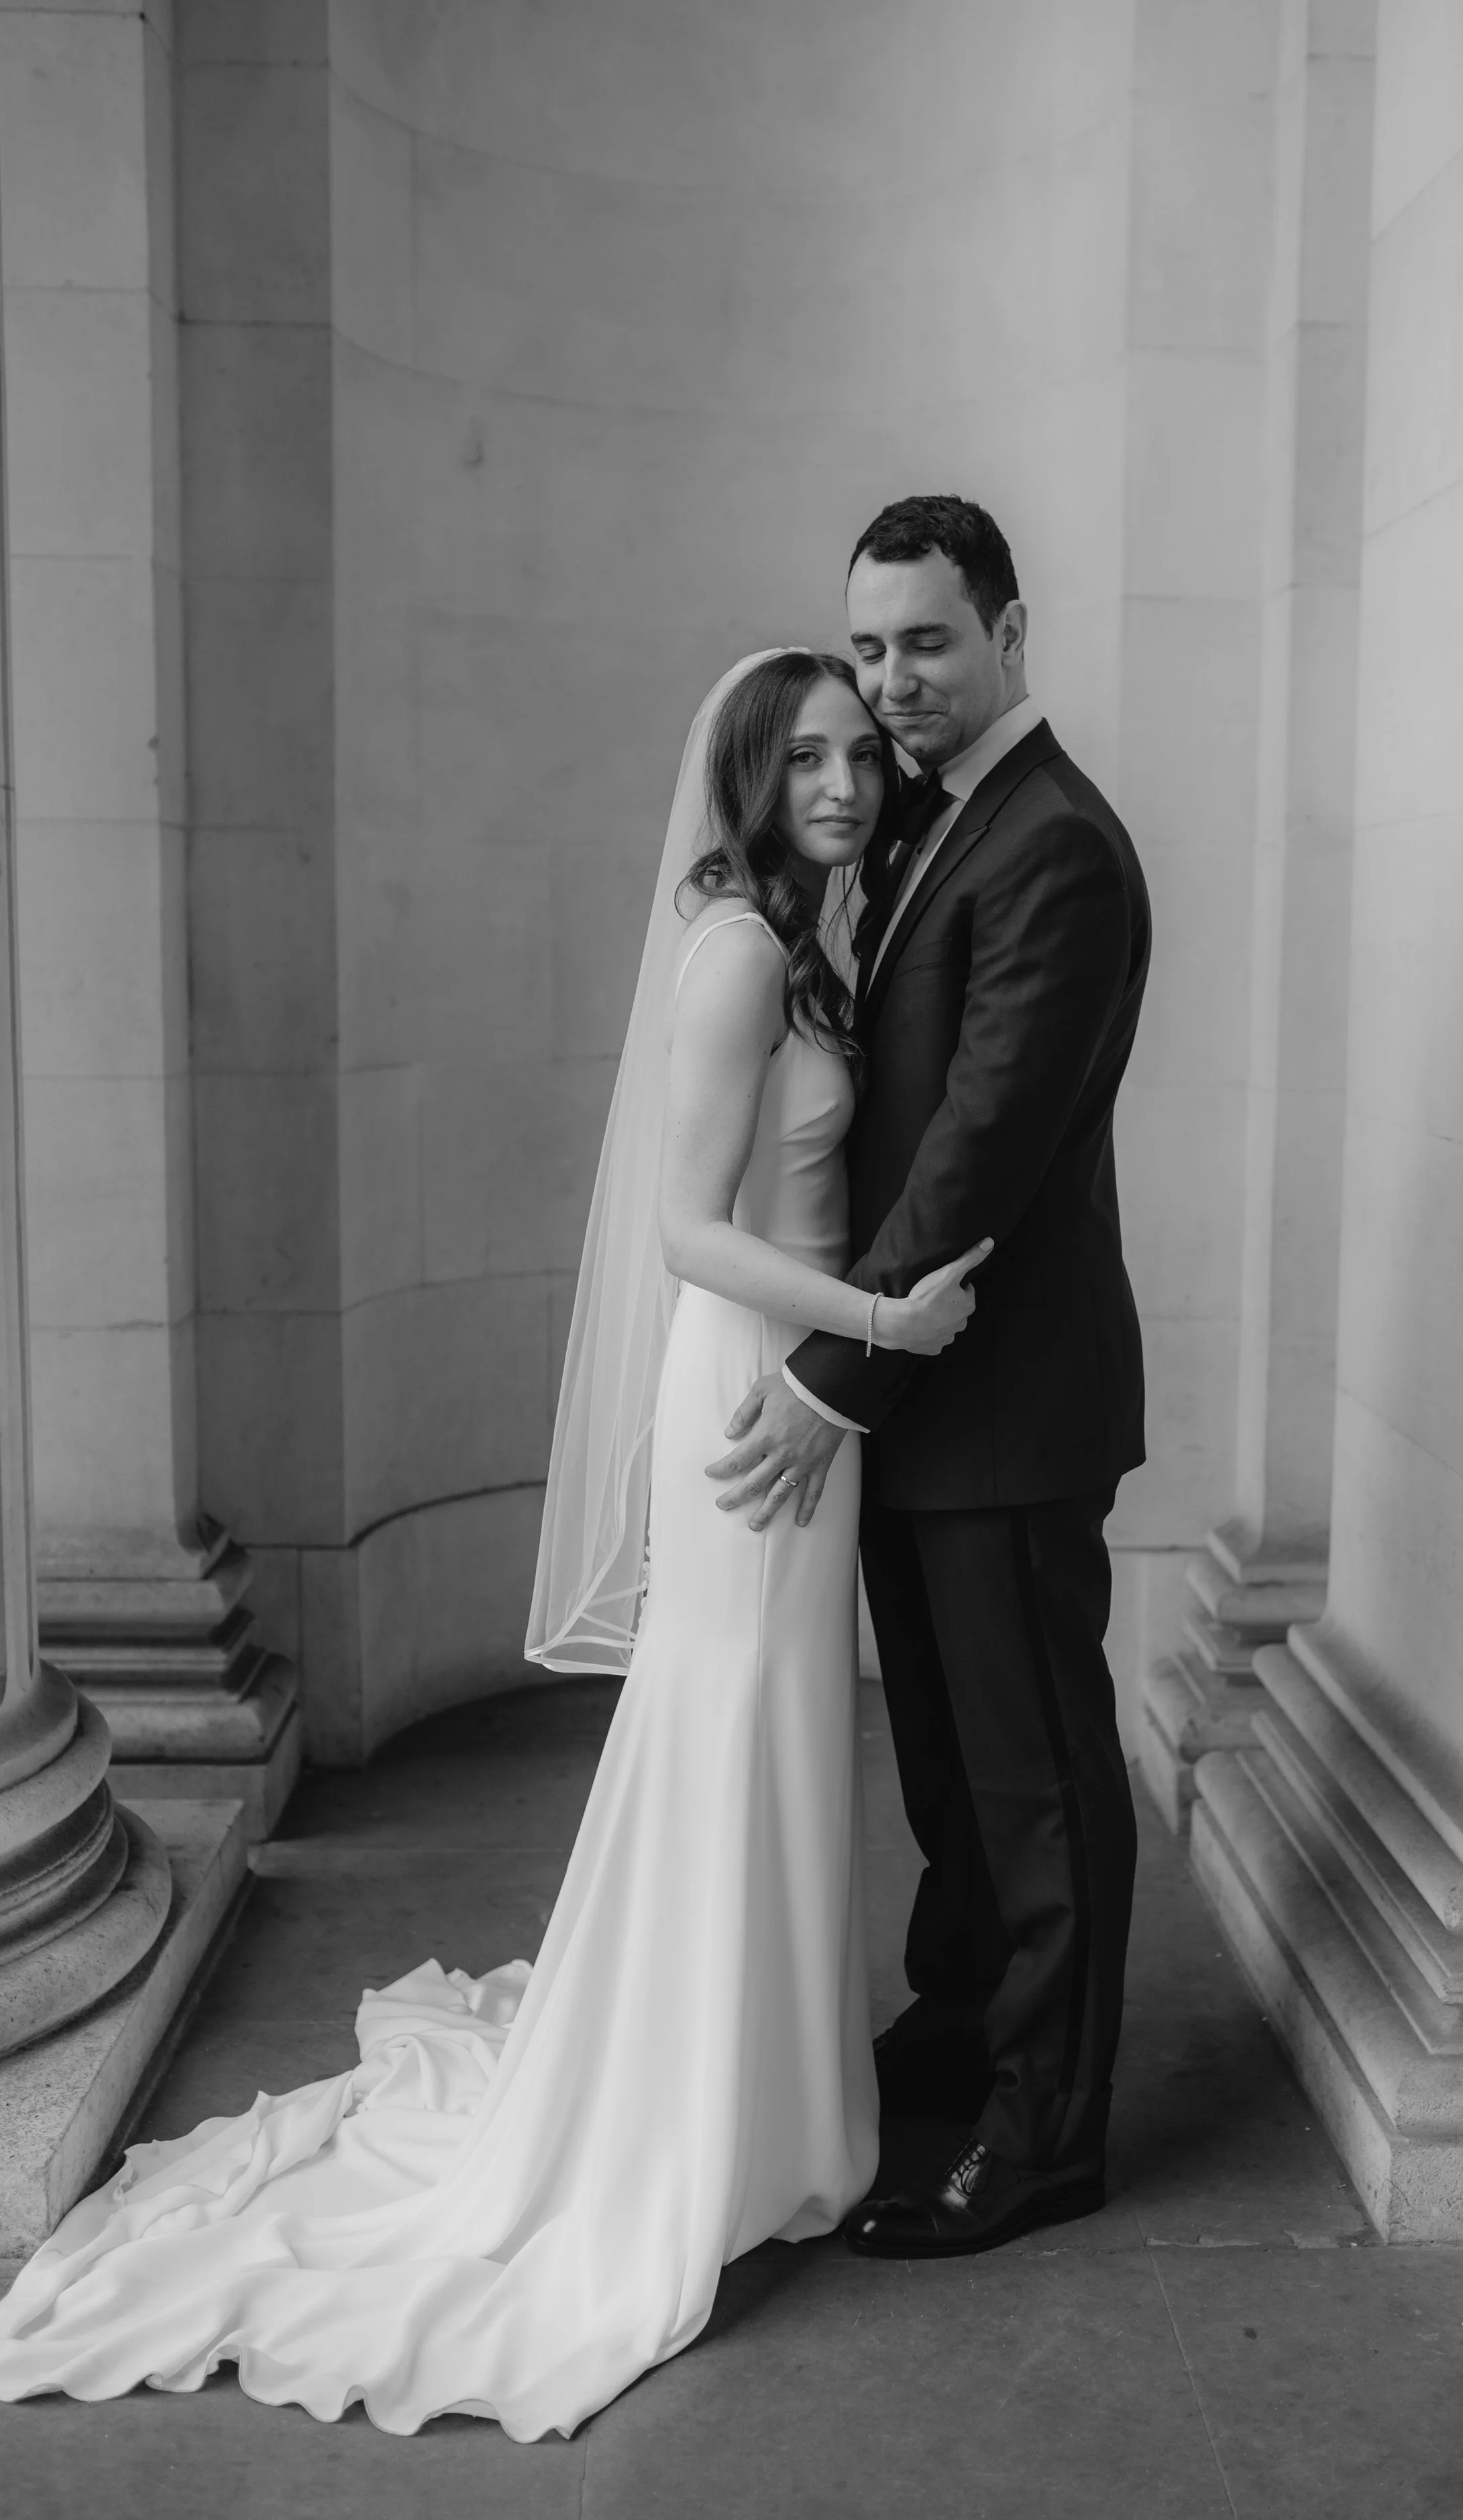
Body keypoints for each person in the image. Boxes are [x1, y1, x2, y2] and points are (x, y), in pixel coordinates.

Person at [0, 649, 983, 2442]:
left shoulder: (787, 936)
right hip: (760, 1386)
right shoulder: (747, 952)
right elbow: (688, 1232)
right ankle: (702, 2126)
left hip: (801, 1383)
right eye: (813, 758)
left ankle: (757, 2104)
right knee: (733, 1724)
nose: (846, 783)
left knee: (760, 1733)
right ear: (751, 776)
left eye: (861, 755)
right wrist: (877, 1327)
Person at [708, 497, 1152, 2258]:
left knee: (1034, 1779)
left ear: (1011, 630)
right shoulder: (920, 827)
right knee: (956, 1777)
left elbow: (976, 1152)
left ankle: (1044, 2134)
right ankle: (966, 2026)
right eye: (869, 644)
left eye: (926, 641)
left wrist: (827, 1381)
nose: (892, 680)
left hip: (1002, 1400)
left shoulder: (1055, 844)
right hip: (923, 1395)